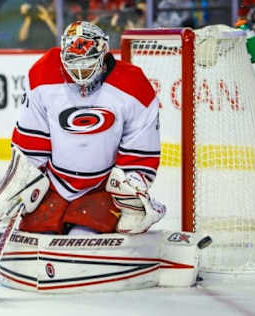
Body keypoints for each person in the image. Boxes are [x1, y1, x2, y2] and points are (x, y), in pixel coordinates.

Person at [9, 21, 165, 235]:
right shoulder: (42, 73)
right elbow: (32, 146)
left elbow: (140, 155)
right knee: (37, 233)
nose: (80, 70)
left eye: (88, 61)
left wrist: (129, 188)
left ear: (103, 54)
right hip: (54, 186)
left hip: (102, 188)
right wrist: (22, 184)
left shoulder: (134, 85)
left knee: (82, 236)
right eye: (74, 61)